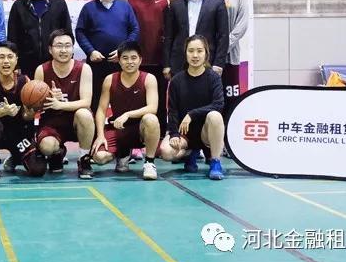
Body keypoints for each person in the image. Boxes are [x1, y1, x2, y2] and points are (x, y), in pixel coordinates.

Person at [116, 0, 177, 138]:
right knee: (133, 101)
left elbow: (178, 25)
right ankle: (131, 140)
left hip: (160, 59)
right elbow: (117, 24)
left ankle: (158, 139)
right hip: (133, 59)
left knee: (159, 101)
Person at [90, 41, 161, 180]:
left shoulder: (149, 79)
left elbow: (153, 108)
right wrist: (100, 135)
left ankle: (149, 162)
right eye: (125, 58)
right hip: (118, 128)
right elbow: (101, 110)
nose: (130, 62)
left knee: (151, 119)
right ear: (119, 60)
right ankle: (122, 153)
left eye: (134, 58)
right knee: (99, 157)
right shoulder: (110, 79)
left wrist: (127, 114)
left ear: (140, 60)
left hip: (141, 129)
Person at [158, 35, 226, 180]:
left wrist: (192, 114)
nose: (195, 55)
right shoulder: (176, 80)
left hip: (206, 133)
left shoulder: (213, 78)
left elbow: (218, 104)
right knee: (166, 152)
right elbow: (172, 110)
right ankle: (190, 153)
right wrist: (174, 134)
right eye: (191, 51)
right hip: (185, 133)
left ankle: (215, 162)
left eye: (199, 51)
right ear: (185, 53)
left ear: (206, 53)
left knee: (215, 116)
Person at [76, 0, 139, 112]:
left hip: (121, 63)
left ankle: (121, 125)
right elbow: (80, 32)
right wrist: (90, 51)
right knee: (95, 100)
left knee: (122, 99)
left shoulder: (125, 6)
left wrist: (123, 52)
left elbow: (135, 29)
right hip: (96, 63)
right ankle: (95, 126)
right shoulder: (88, 8)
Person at [33, 29, 95, 178]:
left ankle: (84, 159)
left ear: (73, 48)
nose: (63, 50)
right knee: (47, 147)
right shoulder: (41, 70)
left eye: (67, 46)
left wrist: (60, 105)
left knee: (84, 114)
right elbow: (35, 106)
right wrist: (47, 97)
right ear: (50, 49)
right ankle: (57, 153)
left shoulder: (84, 68)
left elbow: (86, 102)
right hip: (51, 122)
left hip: (76, 122)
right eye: (59, 46)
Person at [0, 42, 42, 179]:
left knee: (38, 169)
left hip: (18, 133)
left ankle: (16, 158)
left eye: (10, 57)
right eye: (1, 57)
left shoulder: (25, 80)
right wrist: (4, 111)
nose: (6, 61)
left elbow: (26, 115)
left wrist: (31, 113)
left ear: (16, 60)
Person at [162, 0, 229, 81]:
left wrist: (218, 63)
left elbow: (223, 36)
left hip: (207, 61)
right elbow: (168, 36)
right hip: (179, 62)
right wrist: (167, 64)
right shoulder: (175, 5)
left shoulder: (217, 3)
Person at [7, 0, 73, 78]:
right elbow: (12, 38)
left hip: (55, 63)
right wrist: (16, 65)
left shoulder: (59, 3)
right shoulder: (18, 6)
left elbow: (67, 33)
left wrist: (69, 58)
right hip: (27, 65)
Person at [204, 0, 249, 116]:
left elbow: (242, 23)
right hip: (204, 58)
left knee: (230, 98)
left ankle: (229, 128)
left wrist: (223, 47)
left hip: (230, 56)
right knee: (206, 98)